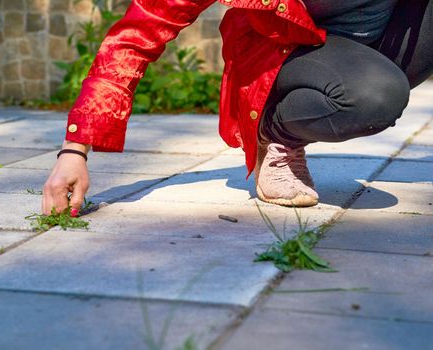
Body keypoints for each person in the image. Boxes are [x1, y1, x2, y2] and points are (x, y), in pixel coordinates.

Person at [42, 0, 432, 216]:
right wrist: (74, 149)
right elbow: (136, 36)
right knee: (376, 98)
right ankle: (275, 135)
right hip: (287, 53)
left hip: (383, 43)